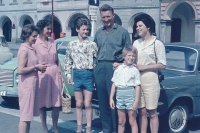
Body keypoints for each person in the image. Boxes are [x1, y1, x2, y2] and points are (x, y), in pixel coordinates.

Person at [93, 4, 132, 133]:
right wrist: (94, 67)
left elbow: (129, 52)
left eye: (108, 16)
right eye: (103, 17)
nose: (106, 19)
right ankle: (106, 129)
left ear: (113, 16)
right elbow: (95, 51)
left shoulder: (123, 32)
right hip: (100, 68)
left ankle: (117, 130)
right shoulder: (99, 32)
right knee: (103, 102)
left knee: (114, 101)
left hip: (114, 68)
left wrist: (121, 64)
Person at [133, 14, 166, 133]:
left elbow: (162, 64)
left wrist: (145, 67)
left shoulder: (157, 43)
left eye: (140, 25)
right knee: (141, 111)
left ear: (148, 27)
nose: (138, 28)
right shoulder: (136, 43)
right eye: (136, 26)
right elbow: (132, 60)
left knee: (152, 112)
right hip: (137, 81)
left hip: (151, 80)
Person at [64, 18, 98, 133]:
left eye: (87, 29)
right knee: (78, 104)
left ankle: (89, 127)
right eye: (83, 29)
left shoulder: (92, 44)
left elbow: (96, 60)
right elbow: (67, 60)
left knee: (87, 103)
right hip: (77, 75)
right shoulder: (71, 44)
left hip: (88, 74)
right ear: (77, 29)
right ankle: (79, 127)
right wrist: (68, 75)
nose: (86, 31)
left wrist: (94, 71)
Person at [34, 19, 63, 133]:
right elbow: (32, 60)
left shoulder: (53, 41)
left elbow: (57, 59)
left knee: (56, 102)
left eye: (50, 28)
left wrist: (60, 73)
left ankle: (55, 127)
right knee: (42, 103)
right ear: (41, 29)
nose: (50, 30)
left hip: (55, 74)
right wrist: (37, 67)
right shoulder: (35, 43)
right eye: (47, 28)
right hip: (42, 75)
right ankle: (45, 127)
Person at [18, 24, 47, 133]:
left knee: (28, 116)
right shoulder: (25, 50)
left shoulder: (30, 48)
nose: (36, 38)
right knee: (25, 116)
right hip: (27, 87)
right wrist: (36, 67)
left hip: (32, 85)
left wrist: (38, 67)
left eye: (36, 36)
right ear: (26, 36)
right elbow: (21, 69)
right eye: (33, 36)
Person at [110, 46, 141, 133]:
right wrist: (111, 98)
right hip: (120, 95)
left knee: (132, 121)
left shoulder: (135, 70)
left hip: (130, 95)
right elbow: (114, 84)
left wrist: (136, 101)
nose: (131, 58)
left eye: (133, 56)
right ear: (124, 56)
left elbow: (138, 86)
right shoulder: (118, 69)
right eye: (129, 55)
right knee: (121, 121)